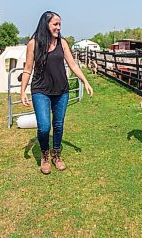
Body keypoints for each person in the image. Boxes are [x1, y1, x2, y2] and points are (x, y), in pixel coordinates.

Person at [20, 11, 93, 174]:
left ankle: (56, 155)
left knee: (58, 125)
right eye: (55, 24)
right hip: (40, 90)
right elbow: (27, 69)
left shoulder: (63, 43)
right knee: (44, 127)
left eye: (60, 24)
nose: (59, 27)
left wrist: (85, 81)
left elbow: (73, 65)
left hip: (61, 91)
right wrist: (22, 91)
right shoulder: (34, 43)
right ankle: (45, 156)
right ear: (46, 24)